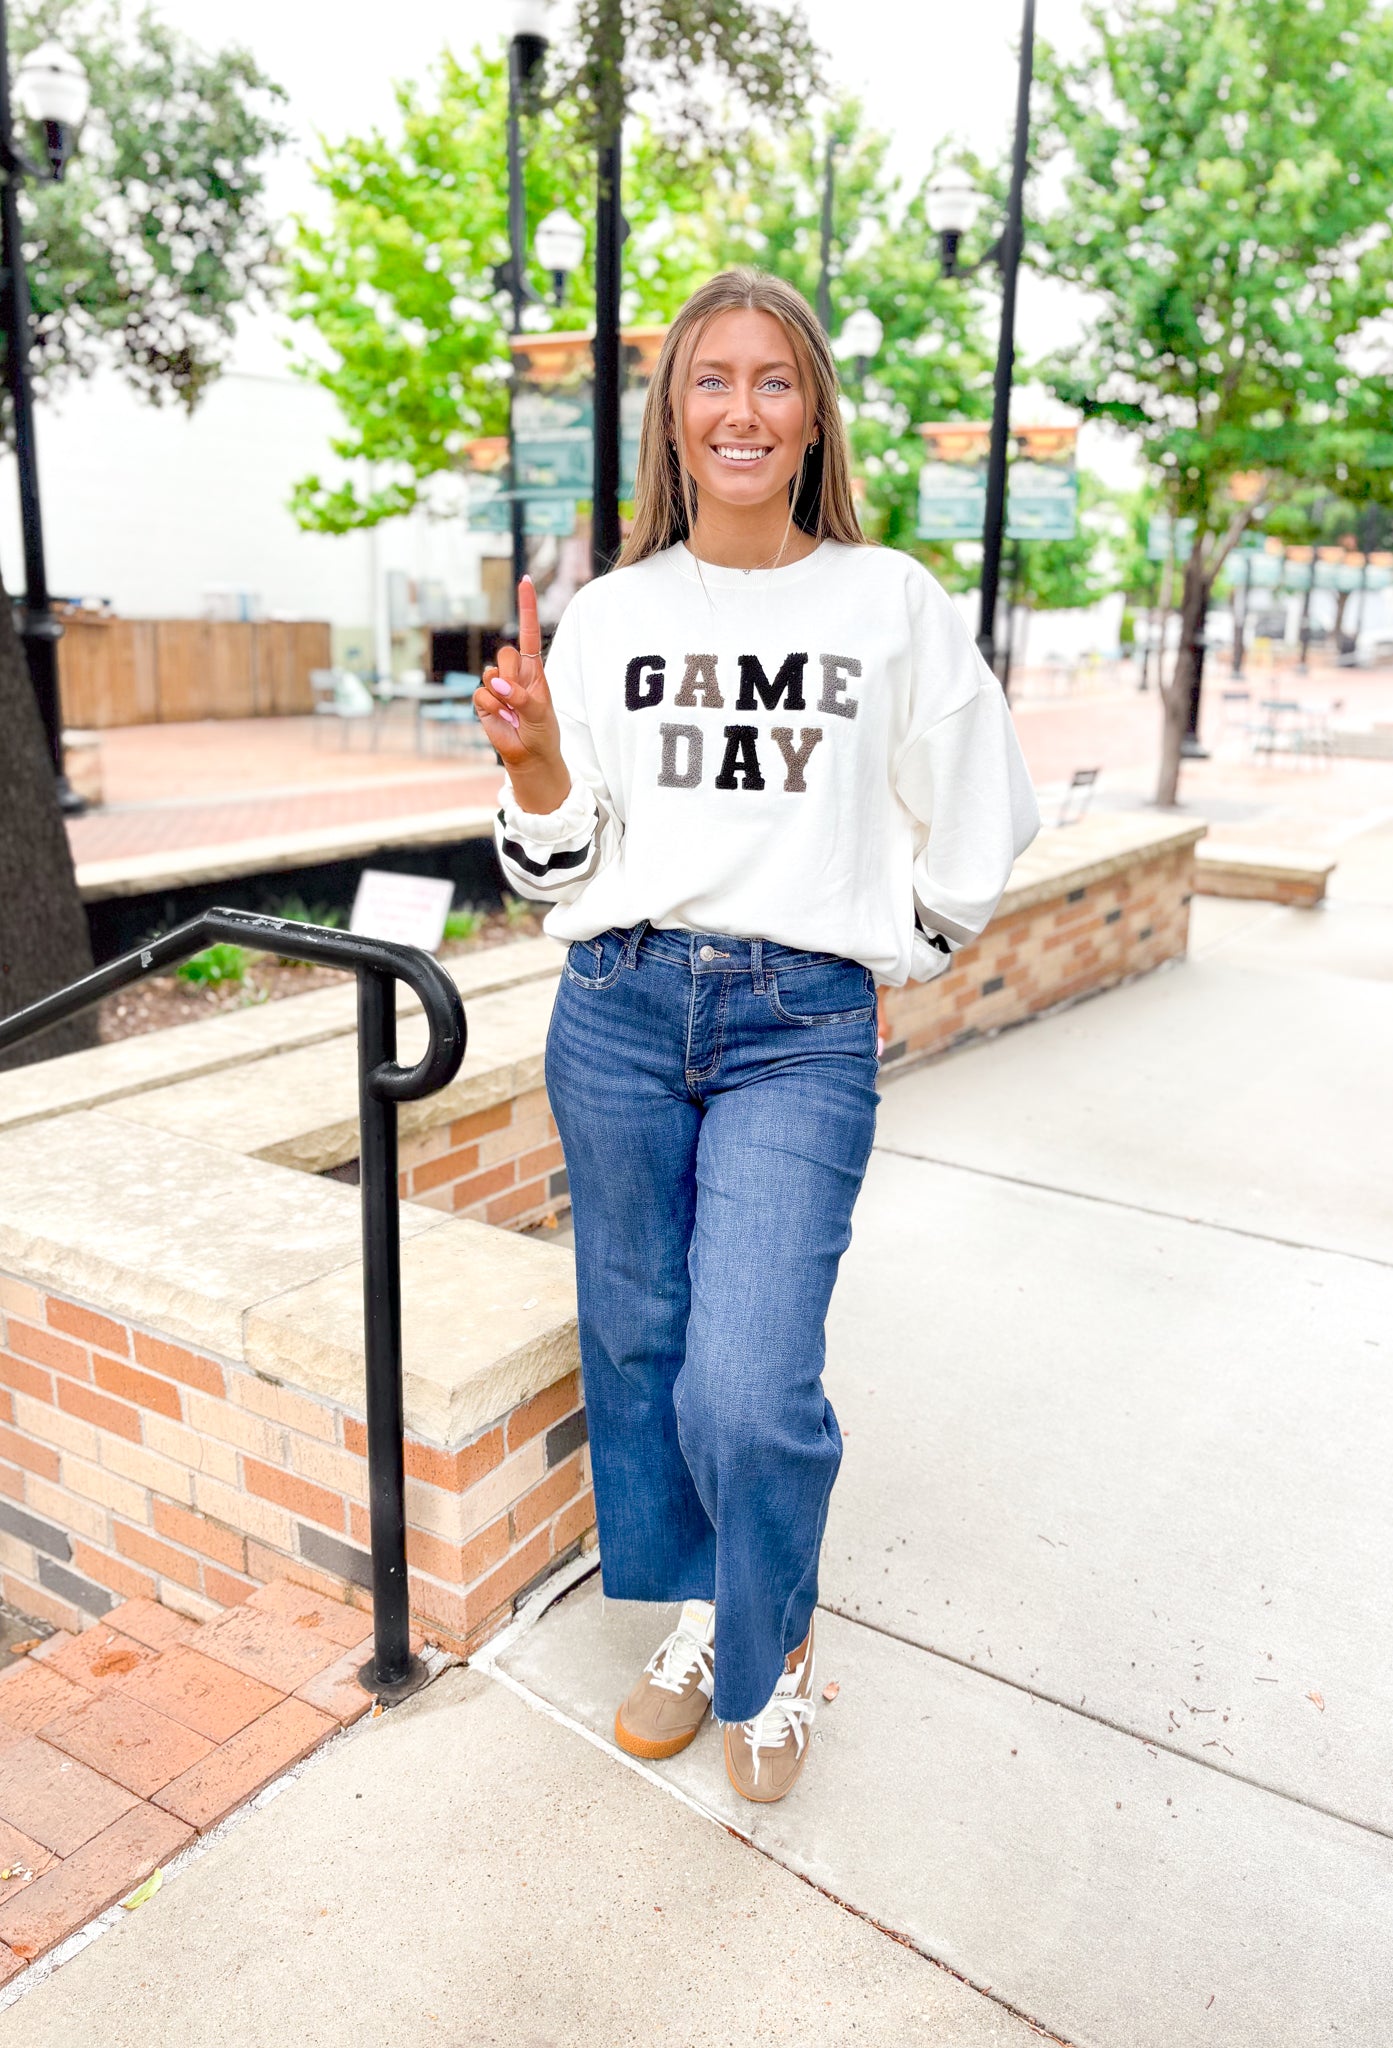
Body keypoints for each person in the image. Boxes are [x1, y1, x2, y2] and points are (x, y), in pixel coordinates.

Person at [474, 268, 1039, 1804]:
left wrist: (909, 938)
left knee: (746, 1375)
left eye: (771, 380)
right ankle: (724, 1617)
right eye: (709, 379)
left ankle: (771, 1636)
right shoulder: (611, 615)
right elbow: (557, 865)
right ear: (673, 416)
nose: (740, 406)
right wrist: (531, 766)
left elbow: (984, 798)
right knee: (644, 1347)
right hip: (618, 1010)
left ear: (809, 418)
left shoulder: (886, 601)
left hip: (798, 1027)